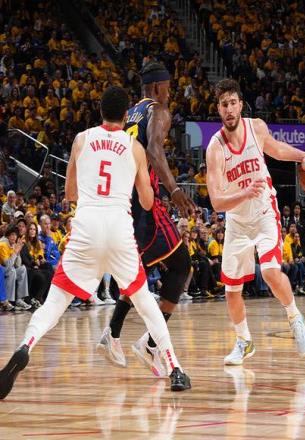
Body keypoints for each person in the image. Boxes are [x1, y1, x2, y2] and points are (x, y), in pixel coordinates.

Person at [0, 86, 190, 400]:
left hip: (86, 228)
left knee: (55, 303)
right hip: (118, 230)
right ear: (126, 116)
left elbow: (70, 193)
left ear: (100, 112)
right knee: (144, 302)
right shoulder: (135, 147)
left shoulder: (81, 139)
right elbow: (146, 201)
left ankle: (25, 346)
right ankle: (175, 369)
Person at [98, 62, 195, 388]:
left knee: (139, 272)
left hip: (123, 203)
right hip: (145, 203)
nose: (170, 93)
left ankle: (115, 333)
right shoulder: (158, 110)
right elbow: (154, 150)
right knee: (181, 266)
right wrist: (175, 190)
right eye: (168, 86)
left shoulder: (129, 114)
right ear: (156, 87)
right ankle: (150, 344)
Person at [206, 78, 305, 365]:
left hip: (265, 212)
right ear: (218, 109)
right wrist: (243, 193)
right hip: (237, 222)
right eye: (224, 104)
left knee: (269, 272)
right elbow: (216, 202)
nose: (229, 109)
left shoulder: (256, 127)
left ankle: (294, 317)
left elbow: (277, 149)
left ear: (240, 104)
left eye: (233, 103)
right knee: (231, 291)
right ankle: (244, 341)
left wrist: (304, 157)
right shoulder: (215, 148)